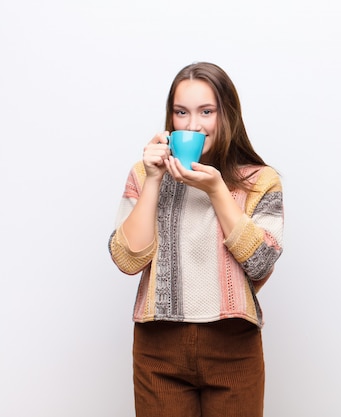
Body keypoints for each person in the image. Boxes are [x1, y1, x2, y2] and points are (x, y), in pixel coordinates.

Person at [108, 62, 284, 417]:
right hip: (158, 347)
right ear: (170, 120)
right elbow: (128, 259)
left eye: (207, 112)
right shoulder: (145, 173)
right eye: (181, 113)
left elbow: (261, 261)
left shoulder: (260, 180)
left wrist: (218, 189)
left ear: (227, 114)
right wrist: (155, 180)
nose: (193, 125)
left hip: (233, 344)